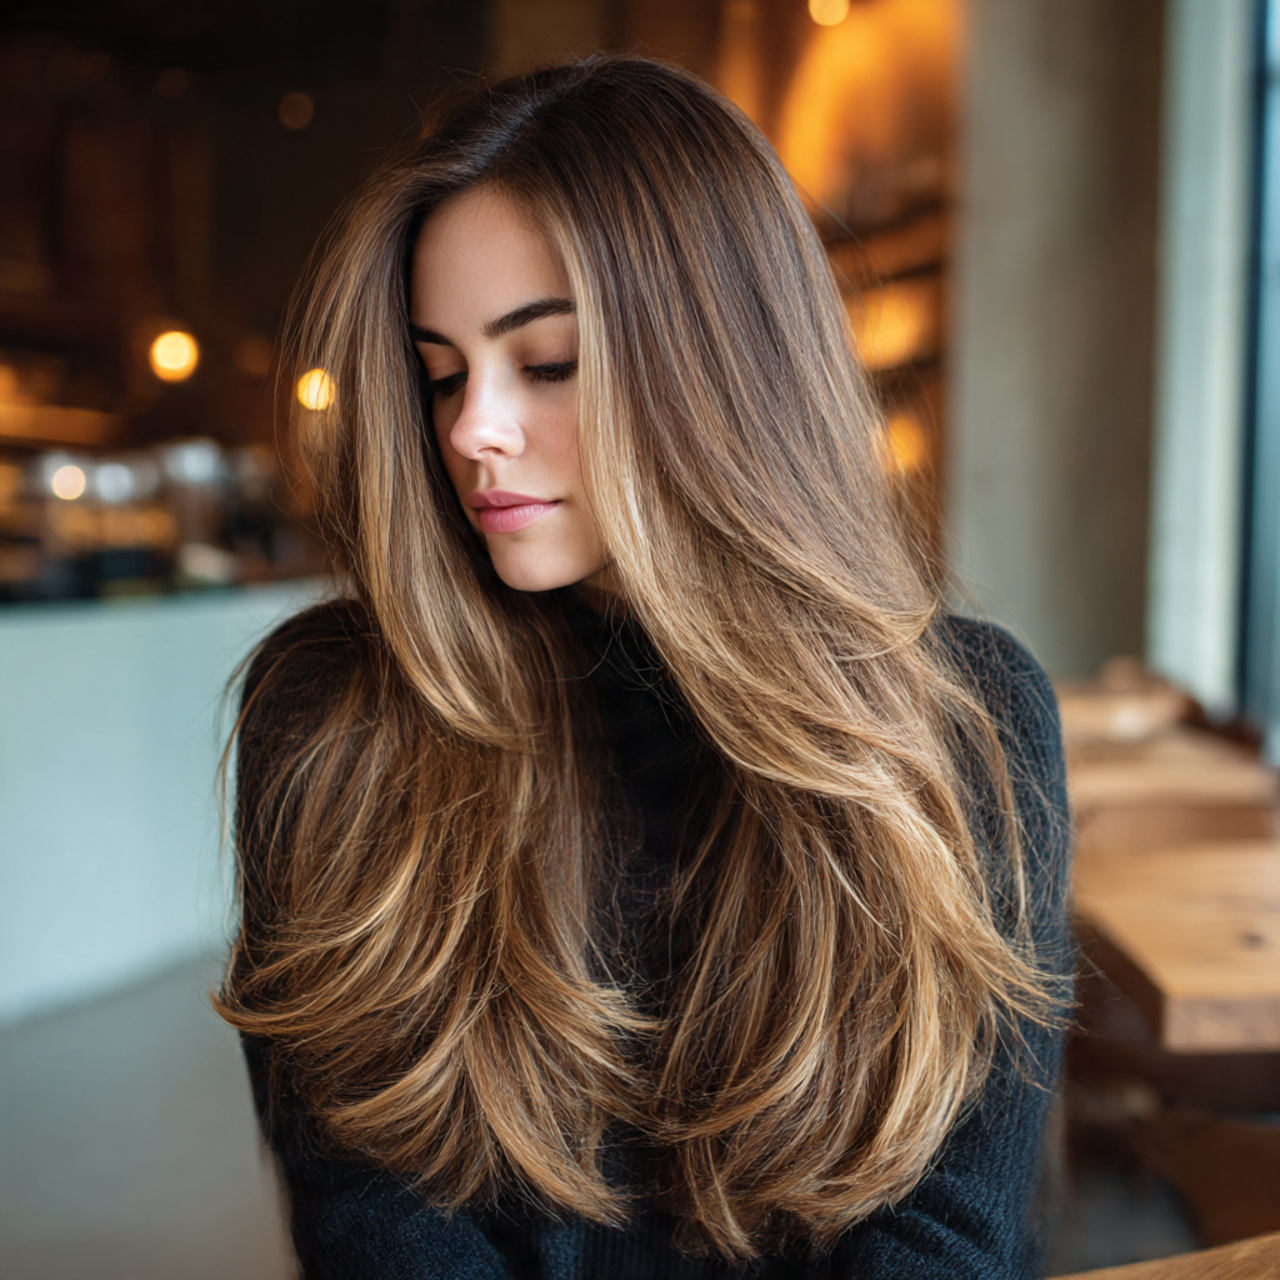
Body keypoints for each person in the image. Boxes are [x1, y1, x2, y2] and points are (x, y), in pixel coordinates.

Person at [217, 56, 1072, 1280]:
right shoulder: (334, 711)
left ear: (724, 364)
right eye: (443, 370)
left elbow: (949, 1231)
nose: (471, 430)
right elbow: (369, 1210)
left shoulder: (967, 722)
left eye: (546, 361)